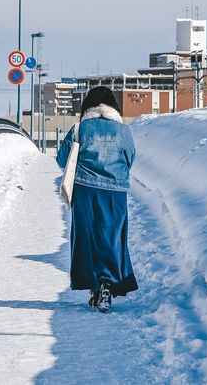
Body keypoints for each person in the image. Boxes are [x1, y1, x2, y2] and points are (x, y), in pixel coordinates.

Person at [56, 85, 138, 313]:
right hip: (115, 192)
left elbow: (62, 160)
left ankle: (94, 286)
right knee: (110, 236)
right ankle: (107, 285)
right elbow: (130, 159)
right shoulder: (124, 131)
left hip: (84, 190)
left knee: (87, 238)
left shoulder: (80, 129)